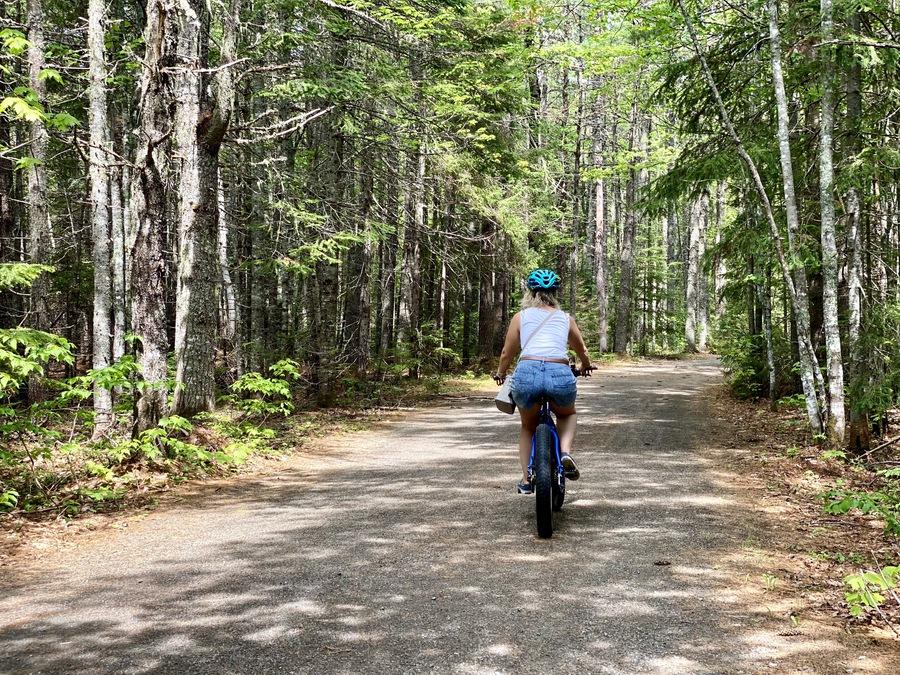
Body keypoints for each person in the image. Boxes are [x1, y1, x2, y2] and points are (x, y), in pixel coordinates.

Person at [492, 269, 593, 494]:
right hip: (559, 372)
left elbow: (506, 353)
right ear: (555, 293)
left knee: (528, 426)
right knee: (567, 414)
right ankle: (565, 453)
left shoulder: (521, 317)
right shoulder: (566, 318)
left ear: (531, 292)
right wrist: (585, 365)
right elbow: (581, 350)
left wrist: (500, 373)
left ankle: (527, 480)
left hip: (527, 373)